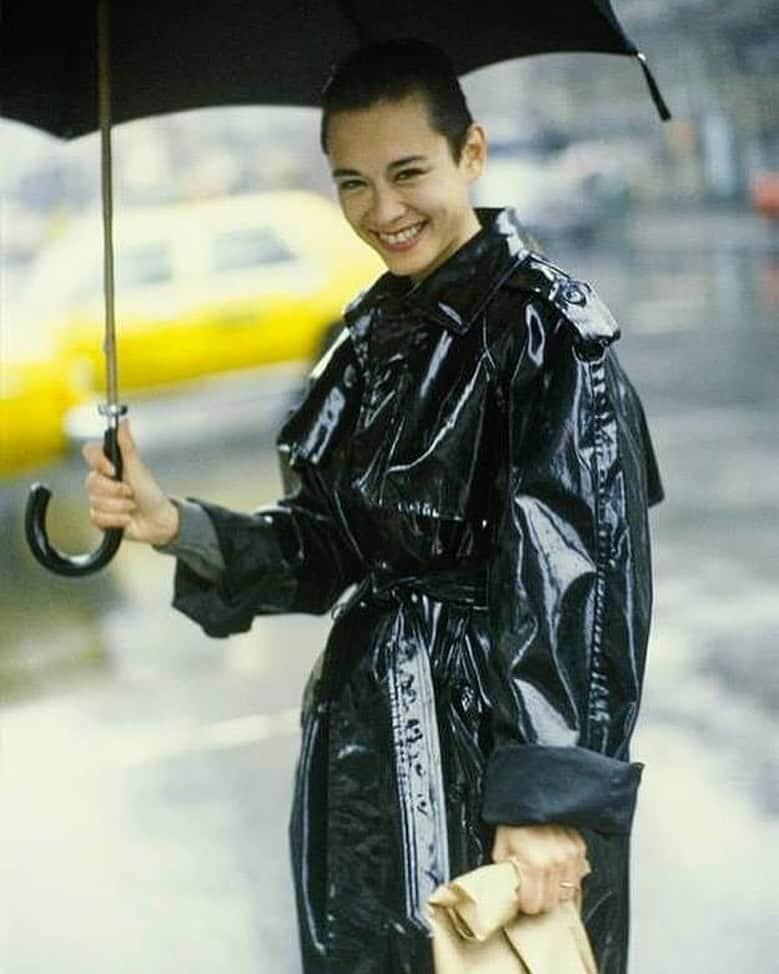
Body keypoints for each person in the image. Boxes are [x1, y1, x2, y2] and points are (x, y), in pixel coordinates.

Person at [82, 38, 664, 974]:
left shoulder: (544, 332)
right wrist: (172, 522)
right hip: (363, 757)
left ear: (469, 153)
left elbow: (581, 583)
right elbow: (327, 547)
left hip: (491, 760)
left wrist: (547, 799)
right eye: (352, 183)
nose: (382, 211)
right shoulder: (362, 339)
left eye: (407, 173)